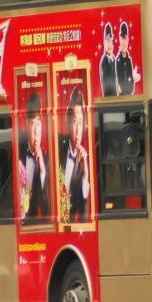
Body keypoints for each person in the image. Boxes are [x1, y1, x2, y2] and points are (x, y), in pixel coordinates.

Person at [59, 87, 90, 222]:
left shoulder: (86, 158)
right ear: (67, 122)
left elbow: (84, 201)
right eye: (74, 122)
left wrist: (85, 172)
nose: (78, 129)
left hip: (74, 224)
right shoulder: (58, 148)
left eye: (81, 123)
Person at [18, 92, 49, 219]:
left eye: (39, 124)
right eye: (32, 123)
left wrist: (42, 171)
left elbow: (47, 207)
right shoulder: (17, 152)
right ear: (26, 123)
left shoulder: (46, 161)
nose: (36, 131)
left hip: (36, 222)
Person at [115, 22, 139, 96]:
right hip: (121, 96)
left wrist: (135, 76)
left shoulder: (129, 60)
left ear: (128, 40)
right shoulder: (117, 60)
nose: (124, 42)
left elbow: (132, 76)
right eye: (122, 39)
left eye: (125, 39)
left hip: (130, 94)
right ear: (119, 39)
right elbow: (117, 79)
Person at [99, 23, 118, 97]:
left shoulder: (115, 59)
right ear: (104, 43)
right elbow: (105, 87)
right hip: (110, 99)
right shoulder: (104, 61)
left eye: (111, 41)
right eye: (107, 41)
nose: (109, 45)